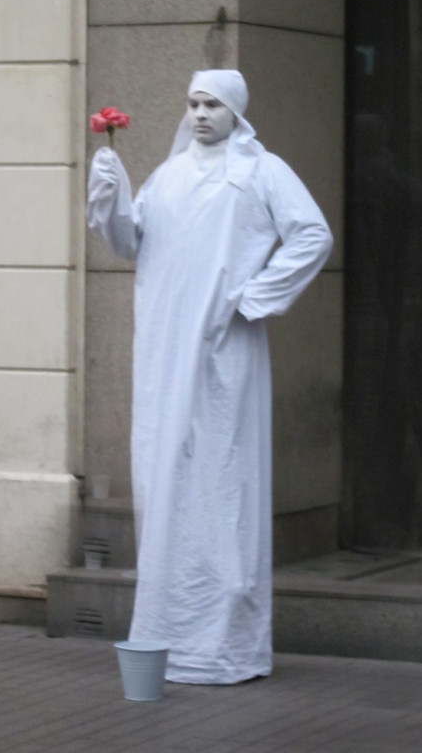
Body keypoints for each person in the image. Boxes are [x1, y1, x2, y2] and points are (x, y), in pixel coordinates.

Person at [86, 69, 333, 684]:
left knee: (226, 483)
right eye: (193, 104)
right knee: (167, 479)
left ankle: (227, 642)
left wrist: (252, 299)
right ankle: (169, 633)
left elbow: (311, 234)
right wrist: (109, 193)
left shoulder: (260, 170)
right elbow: (129, 242)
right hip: (164, 356)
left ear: (236, 112)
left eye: (213, 105)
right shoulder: (167, 178)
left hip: (225, 352)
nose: (200, 114)